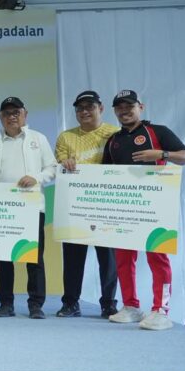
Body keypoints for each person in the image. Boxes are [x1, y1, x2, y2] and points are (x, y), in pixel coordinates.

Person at [102, 90, 185, 330]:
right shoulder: (113, 141)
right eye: (119, 107)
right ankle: (131, 306)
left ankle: (161, 310)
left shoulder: (157, 132)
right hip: (124, 208)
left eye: (129, 106)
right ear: (114, 111)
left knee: (157, 258)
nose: (124, 111)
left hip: (154, 207)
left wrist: (162, 154)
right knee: (123, 259)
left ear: (140, 107)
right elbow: (103, 175)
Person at [0, 97, 57, 319]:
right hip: (3, 209)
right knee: (3, 258)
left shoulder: (38, 138)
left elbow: (53, 168)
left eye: (16, 112)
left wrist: (36, 178)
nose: (12, 117)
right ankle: (5, 304)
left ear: (25, 114)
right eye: (7, 113)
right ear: (0, 117)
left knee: (34, 258)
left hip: (32, 208)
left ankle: (36, 305)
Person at [54, 91, 120, 319]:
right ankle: (70, 303)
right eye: (79, 108)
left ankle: (109, 304)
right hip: (75, 205)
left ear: (101, 109)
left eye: (89, 107)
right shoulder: (66, 137)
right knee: (73, 257)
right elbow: (59, 162)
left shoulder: (115, 133)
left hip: (106, 204)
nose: (84, 112)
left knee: (108, 258)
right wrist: (64, 162)